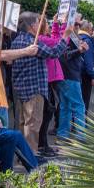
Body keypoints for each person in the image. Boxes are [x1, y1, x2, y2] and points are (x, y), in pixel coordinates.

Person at [8, 12, 70, 151]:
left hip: (20, 88)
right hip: (34, 88)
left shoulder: (16, 40)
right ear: (31, 26)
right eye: (37, 22)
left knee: (23, 123)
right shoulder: (32, 42)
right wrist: (65, 36)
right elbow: (53, 53)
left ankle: (22, 155)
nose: (39, 25)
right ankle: (30, 156)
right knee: (32, 124)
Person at [36, 17, 67, 155]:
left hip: (52, 79)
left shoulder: (44, 38)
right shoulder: (41, 39)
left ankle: (43, 144)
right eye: (47, 24)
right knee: (46, 113)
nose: (49, 26)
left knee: (49, 111)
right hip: (48, 80)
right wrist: (65, 27)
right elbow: (57, 43)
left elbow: (55, 38)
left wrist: (56, 24)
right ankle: (42, 144)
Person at [57, 14, 89, 140]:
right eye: (76, 24)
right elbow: (64, 55)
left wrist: (81, 49)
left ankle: (63, 134)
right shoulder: (66, 36)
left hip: (68, 75)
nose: (78, 26)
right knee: (79, 106)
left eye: (79, 24)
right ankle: (81, 136)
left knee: (66, 106)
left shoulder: (73, 36)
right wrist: (80, 50)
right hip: (69, 75)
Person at [76, 20, 94, 111]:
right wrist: (92, 77)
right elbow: (88, 61)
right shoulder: (87, 40)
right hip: (85, 75)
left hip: (77, 73)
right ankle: (82, 123)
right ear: (88, 29)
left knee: (77, 101)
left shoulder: (77, 38)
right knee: (84, 101)